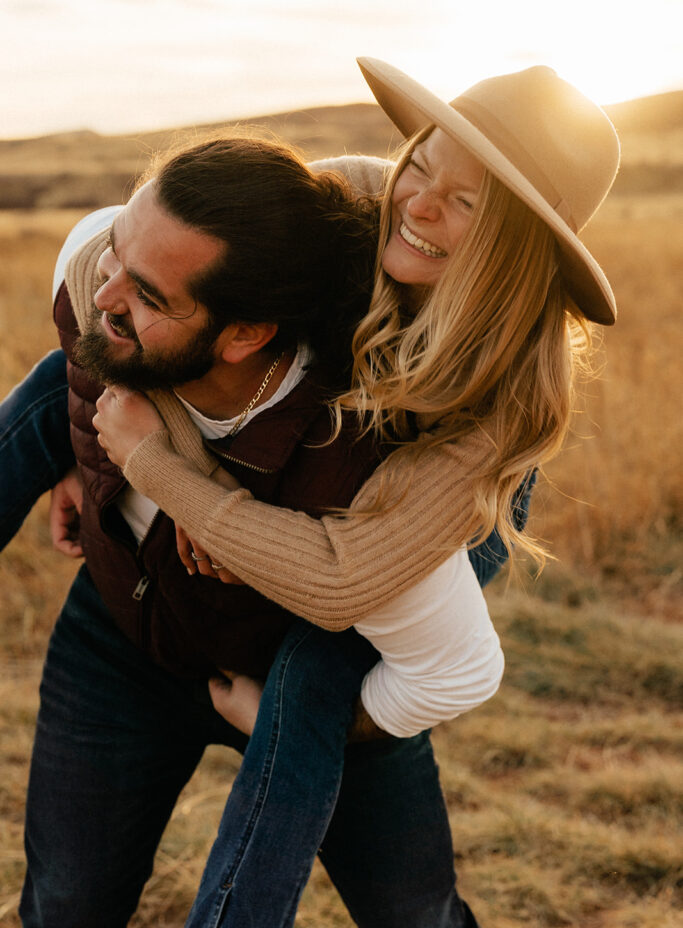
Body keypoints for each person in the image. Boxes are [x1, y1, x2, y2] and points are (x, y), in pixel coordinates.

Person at [90, 57, 621, 926]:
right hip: (296, 479)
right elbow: (133, 275)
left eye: (467, 202)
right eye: (423, 164)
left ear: (519, 242)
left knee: (317, 669)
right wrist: (118, 457)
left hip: (422, 516)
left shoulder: (509, 401)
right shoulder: (348, 200)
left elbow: (343, 581)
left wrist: (169, 479)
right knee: (56, 377)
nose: (417, 204)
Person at [6, 131, 514, 928]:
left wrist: (305, 717)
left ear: (246, 335)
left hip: (303, 666)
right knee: (64, 908)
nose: (106, 297)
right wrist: (82, 450)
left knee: (416, 916)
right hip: (117, 650)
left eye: (148, 295)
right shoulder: (99, 283)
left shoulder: (363, 476)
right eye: (117, 253)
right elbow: (90, 274)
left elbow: (455, 670)